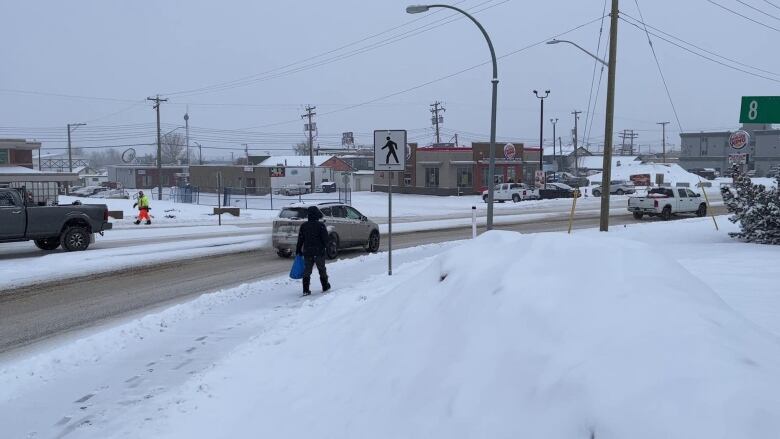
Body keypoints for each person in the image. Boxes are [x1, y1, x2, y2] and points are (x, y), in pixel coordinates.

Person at [295, 205, 331, 296]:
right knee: (321, 269)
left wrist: (298, 250)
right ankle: (325, 286)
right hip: (319, 252)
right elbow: (326, 240)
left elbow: (300, 239)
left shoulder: (304, 226)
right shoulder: (321, 226)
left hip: (308, 252)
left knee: (307, 271)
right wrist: (329, 249)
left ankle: (306, 290)